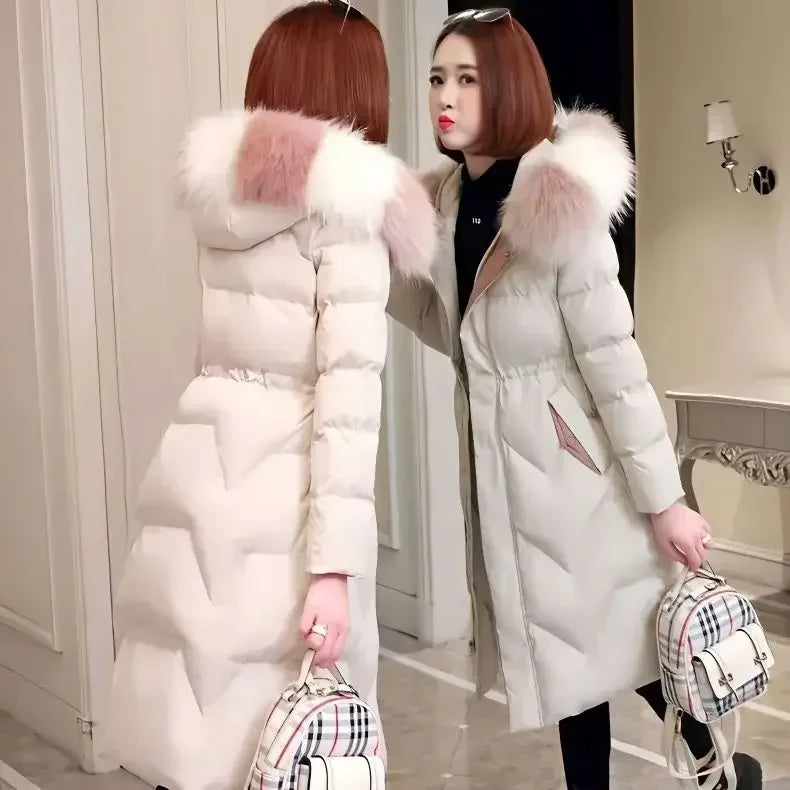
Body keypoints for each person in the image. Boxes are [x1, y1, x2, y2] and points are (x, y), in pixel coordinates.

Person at [387, 9, 762, 790]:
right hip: (510, 480)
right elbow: (458, 333)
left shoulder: (556, 203)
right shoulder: (450, 205)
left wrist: (664, 503)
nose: (445, 97)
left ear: (509, 86)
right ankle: (720, 769)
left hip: (581, 482)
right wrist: (376, 263)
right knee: (581, 664)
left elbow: (614, 363)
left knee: (614, 651)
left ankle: (717, 765)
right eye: (436, 78)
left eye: (467, 79)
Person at [105, 3, 437, 788]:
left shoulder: (226, 207)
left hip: (201, 483)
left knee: (197, 736)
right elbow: (347, 414)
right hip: (287, 516)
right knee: (294, 751)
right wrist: (334, 573)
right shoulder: (350, 215)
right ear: (360, 94)